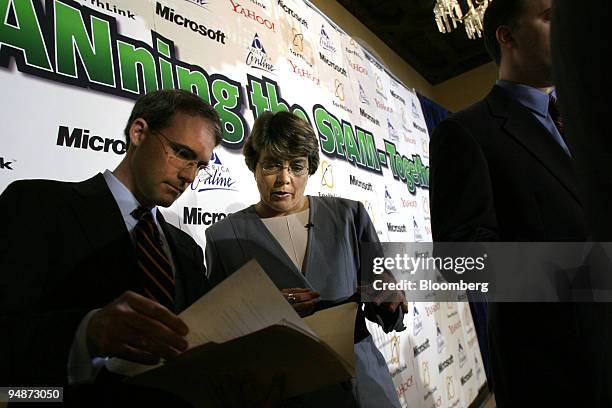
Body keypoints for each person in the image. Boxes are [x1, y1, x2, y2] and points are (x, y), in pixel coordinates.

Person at [0, 90, 220, 402]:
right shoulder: (37, 206)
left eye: (199, 165)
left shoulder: (187, 248)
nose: (189, 175)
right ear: (138, 133)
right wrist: (85, 333)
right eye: (181, 153)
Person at [429, 0, 592, 406]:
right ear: (507, 36)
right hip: (556, 373)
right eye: (553, 18)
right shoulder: (465, 132)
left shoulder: (591, 119)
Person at [205, 111, 407, 408]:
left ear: (310, 168)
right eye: (272, 165)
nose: (284, 179)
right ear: (254, 167)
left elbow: (384, 298)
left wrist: (391, 302)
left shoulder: (350, 216)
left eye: (296, 166)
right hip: (279, 390)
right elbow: (217, 329)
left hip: (362, 386)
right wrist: (267, 313)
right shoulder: (223, 237)